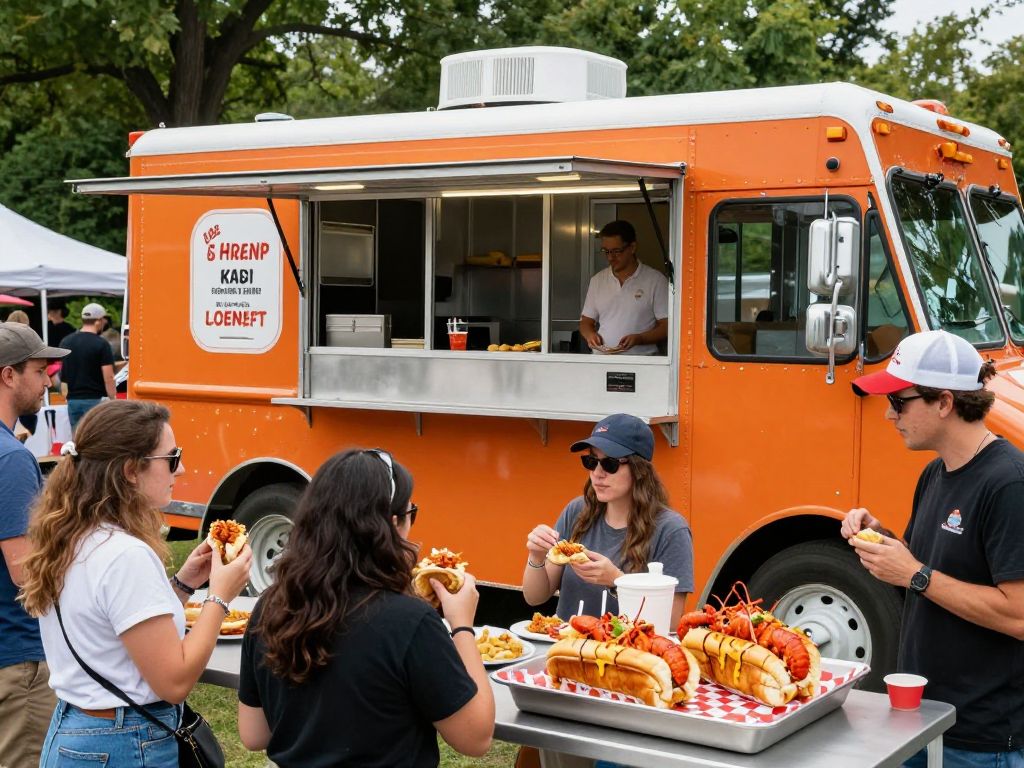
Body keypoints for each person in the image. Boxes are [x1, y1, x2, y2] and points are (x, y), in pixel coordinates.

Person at [19, 399, 253, 767]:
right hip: (122, 743)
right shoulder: (124, 555)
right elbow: (174, 682)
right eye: (172, 458)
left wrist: (184, 584)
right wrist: (220, 596)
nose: (181, 469)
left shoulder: (73, 537)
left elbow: (116, 631)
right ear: (131, 470)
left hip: (76, 732)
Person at [237, 448, 495, 767]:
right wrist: (462, 625)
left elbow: (254, 734)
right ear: (393, 524)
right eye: (411, 512)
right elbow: (476, 738)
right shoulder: (410, 621)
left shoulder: (270, 606)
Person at [841, 329, 1024, 767]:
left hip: (981, 741)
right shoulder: (935, 472)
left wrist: (914, 574)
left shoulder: (1009, 484)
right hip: (921, 719)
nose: (889, 415)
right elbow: (929, 565)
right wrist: (881, 538)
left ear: (944, 402)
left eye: (898, 401)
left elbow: (1018, 616)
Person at [523, 413, 694, 625]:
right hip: (566, 642)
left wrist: (617, 581)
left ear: (639, 470)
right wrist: (536, 556)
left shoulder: (671, 530)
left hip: (627, 646)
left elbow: (670, 623)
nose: (597, 473)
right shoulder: (577, 511)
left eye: (610, 464)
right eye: (591, 461)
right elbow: (535, 597)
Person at [0, 322, 68, 766]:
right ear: (9, 375)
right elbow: (26, 572)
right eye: (40, 371)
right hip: (17, 658)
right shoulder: (11, 458)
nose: (49, 382)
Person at [579, 220, 669, 355]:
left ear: (632, 247)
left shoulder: (656, 280)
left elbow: (667, 326)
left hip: (642, 361)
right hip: (602, 360)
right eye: (606, 251)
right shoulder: (597, 280)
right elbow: (586, 321)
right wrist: (590, 335)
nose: (610, 257)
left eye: (617, 251)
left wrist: (640, 339)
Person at [59, 302, 116, 431]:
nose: (104, 323)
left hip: (73, 401)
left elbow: (63, 373)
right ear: (98, 321)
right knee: (96, 436)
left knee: (77, 437)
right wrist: (113, 398)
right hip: (95, 400)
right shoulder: (102, 344)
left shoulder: (66, 341)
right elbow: (108, 376)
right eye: (104, 320)